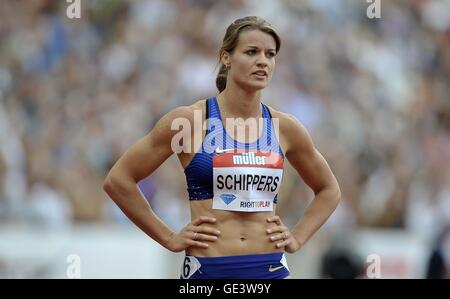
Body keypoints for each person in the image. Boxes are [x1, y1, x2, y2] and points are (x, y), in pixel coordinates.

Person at [103, 16, 341, 279]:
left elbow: (329, 189)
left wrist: (297, 237)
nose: (263, 61)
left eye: (270, 54)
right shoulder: (189, 122)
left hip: (269, 269)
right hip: (208, 272)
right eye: (252, 52)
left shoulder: (285, 128)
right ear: (226, 57)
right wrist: (168, 237)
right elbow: (119, 180)